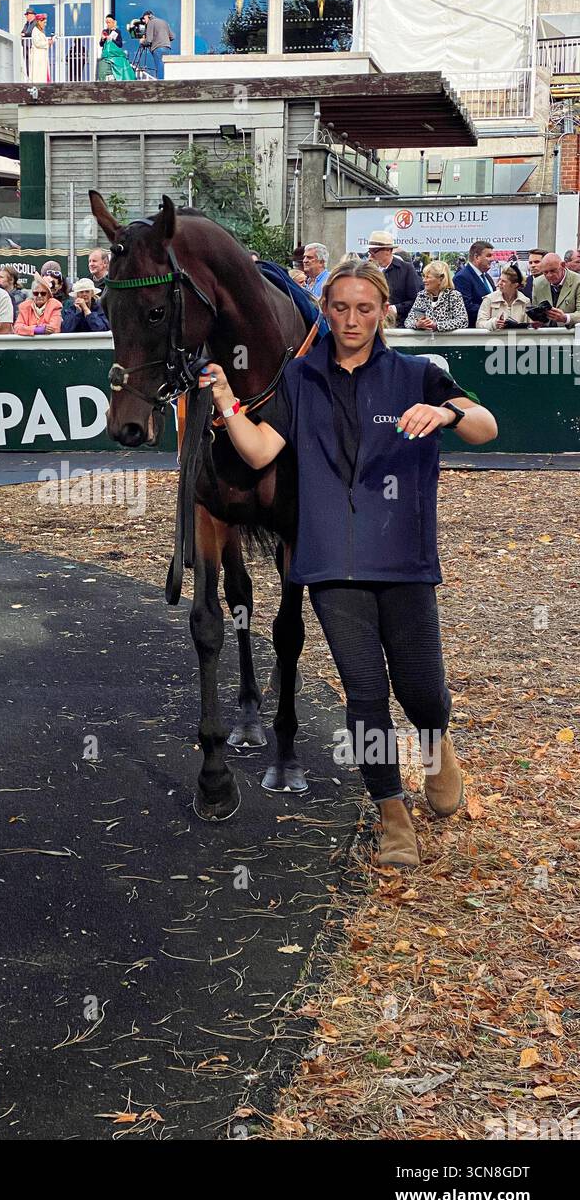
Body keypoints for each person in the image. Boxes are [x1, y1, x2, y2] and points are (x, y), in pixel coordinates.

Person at [198, 258, 498, 870]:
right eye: (340, 307)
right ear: (326, 310)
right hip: (332, 565)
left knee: (422, 689)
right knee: (363, 696)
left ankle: (437, 747)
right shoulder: (300, 379)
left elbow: (486, 428)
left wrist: (448, 413)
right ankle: (391, 814)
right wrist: (229, 402)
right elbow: (258, 450)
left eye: (365, 307)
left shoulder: (419, 374)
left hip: (404, 560)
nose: (352, 319)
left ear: (384, 310)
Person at [366, 230, 418, 326]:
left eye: (374, 251)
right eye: (369, 251)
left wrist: (395, 309)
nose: (370, 255)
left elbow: (416, 300)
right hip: (370, 325)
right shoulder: (366, 270)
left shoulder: (406, 269)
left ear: (388, 251)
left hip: (397, 327)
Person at [405, 261, 468, 332]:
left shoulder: (454, 296)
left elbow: (463, 321)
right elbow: (408, 321)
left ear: (440, 279)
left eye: (428, 277)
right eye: (424, 276)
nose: (424, 280)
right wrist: (417, 324)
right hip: (424, 342)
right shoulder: (421, 295)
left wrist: (436, 325)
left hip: (447, 342)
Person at [527, 252, 580, 328]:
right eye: (545, 272)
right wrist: (537, 320)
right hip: (545, 335)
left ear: (563, 265)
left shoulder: (577, 281)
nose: (549, 275)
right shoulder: (537, 283)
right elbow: (536, 310)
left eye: (553, 271)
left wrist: (565, 318)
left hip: (572, 335)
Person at [452, 240, 495, 328]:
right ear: (476, 257)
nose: (492, 259)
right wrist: (493, 311)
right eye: (488, 256)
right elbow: (466, 307)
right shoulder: (462, 277)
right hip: (472, 333)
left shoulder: (487, 277)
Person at [477, 262, 531, 331]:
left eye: (504, 281)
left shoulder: (525, 301)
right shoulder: (489, 299)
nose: (499, 283)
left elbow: (530, 326)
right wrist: (494, 323)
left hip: (518, 340)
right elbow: (479, 324)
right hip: (494, 340)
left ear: (515, 285)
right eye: (500, 280)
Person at [97, 15, 135, 82]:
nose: (108, 24)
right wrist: (103, 39)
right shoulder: (104, 31)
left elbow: (120, 44)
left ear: (113, 22)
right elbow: (101, 44)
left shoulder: (117, 31)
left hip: (115, 54)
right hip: (106, 55)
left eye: (109, 22)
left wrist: (112, 39)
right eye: (107, 22)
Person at [139, 10, 173, 80]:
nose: (144, 21)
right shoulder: (164, 22)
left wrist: (142, 41)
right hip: (167, 47)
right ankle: (165, 83)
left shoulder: (151, 22)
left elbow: (148, 40)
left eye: (144, 19)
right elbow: (172, 37)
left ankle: (160, 83)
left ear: (148, 16)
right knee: (164, 67)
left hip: (158, 48)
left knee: (159, 66)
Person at [29, 13, 52, 83]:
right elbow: (37, 43)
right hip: (38, 57)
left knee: (43, 74)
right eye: (44, 22)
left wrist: (48, 43)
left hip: (41, 57)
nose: (45, 24)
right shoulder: (35, 31)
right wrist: (48, 43)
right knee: (38, 75)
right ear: (39, 22)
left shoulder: (40, 31)